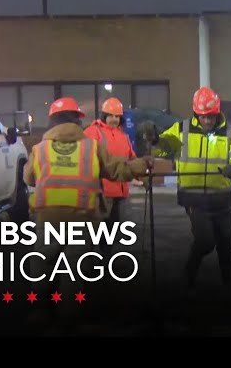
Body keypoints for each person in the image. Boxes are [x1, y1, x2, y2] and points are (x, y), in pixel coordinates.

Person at [23, 97, 151, 329]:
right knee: (73, 269)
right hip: (82, 218)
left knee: (42, 261)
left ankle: (40, 309)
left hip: (48, 218)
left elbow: (29, 178)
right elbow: (116, 170)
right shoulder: (92, 147)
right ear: (76, 121)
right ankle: (68, 317)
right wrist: (143, 165)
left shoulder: (39, 149)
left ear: (52, 121)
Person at [139, 86, 231, 301]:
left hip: (221, 198)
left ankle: (229, 286)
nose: (207, 121)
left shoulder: (230, 132)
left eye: (210, 116)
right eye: (203, 116)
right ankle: (188, 276)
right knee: (206, 241)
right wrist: (153, 138)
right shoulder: (182, 130)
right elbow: (164, 145)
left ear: (217, 112)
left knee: (227, 243)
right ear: (196, 113)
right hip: (194, 198)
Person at [84, 97, 137, 254]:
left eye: (117, 116)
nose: (114, 119)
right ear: (104, 116)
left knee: (112, 229)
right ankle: (91, 261)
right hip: (102, 193)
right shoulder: (92, 132)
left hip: (120, 191)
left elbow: (131, 159)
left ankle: (105, 259)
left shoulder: (122, 136)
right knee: (96, 230)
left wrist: (143, 175)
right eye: (111, 115)